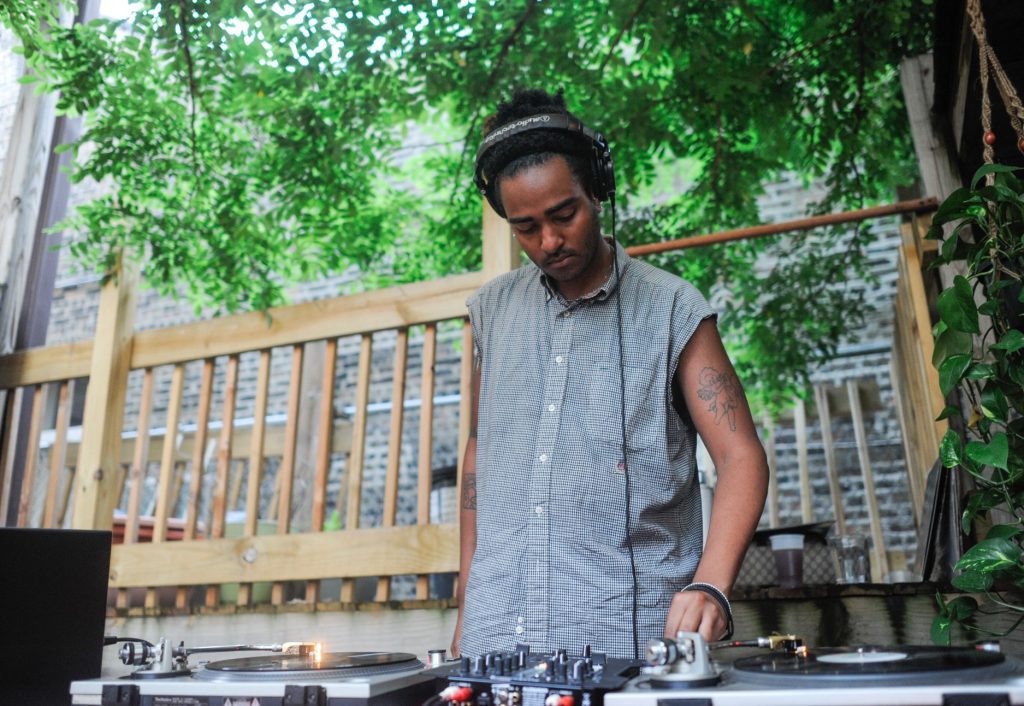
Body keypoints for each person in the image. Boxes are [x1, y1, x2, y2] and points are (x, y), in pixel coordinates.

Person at [451, 88, 769, 660]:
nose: (548, 242)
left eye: (563, 214)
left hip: (631, 641)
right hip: (496, 636)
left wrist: (712, 584)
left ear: (598, 190)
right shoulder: (490, 313)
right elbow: (482, 450)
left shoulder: (673, 307)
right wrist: (467, 605)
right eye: (525, 228)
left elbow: (740, 455)